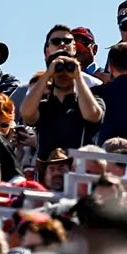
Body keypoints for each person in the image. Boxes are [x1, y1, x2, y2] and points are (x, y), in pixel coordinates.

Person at [20, 26, 106, 159]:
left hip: (79, 173)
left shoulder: (92, 100)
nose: (63, 73)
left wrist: (77, 75)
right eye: (56, 41)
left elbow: (93, 115)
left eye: (67, 41)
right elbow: (26, 113)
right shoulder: (44, 107)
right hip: (47, 174)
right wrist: (49, 72)